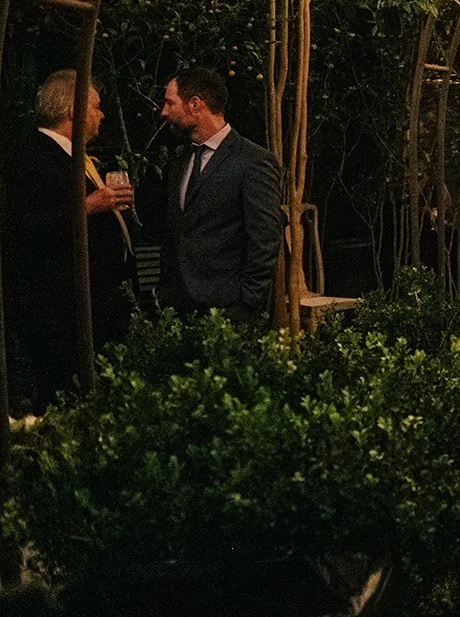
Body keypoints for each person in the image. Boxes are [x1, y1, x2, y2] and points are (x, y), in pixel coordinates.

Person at [2, 71, 134, 411]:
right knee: (68, 397)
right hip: (60, 313)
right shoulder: (34, 157)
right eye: (96, 107)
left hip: (94, 307)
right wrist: (90, 205)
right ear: (74, 111)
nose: (101, 115)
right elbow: (23, 226)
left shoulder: (74, 157)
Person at [159, 67, 280, 321]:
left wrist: (246, 302)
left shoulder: (252, 161)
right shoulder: (180, 160)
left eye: (170, 103)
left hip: (227, 309)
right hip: (178, 307)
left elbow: (265, 236)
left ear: (195, 104)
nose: (164, 112)